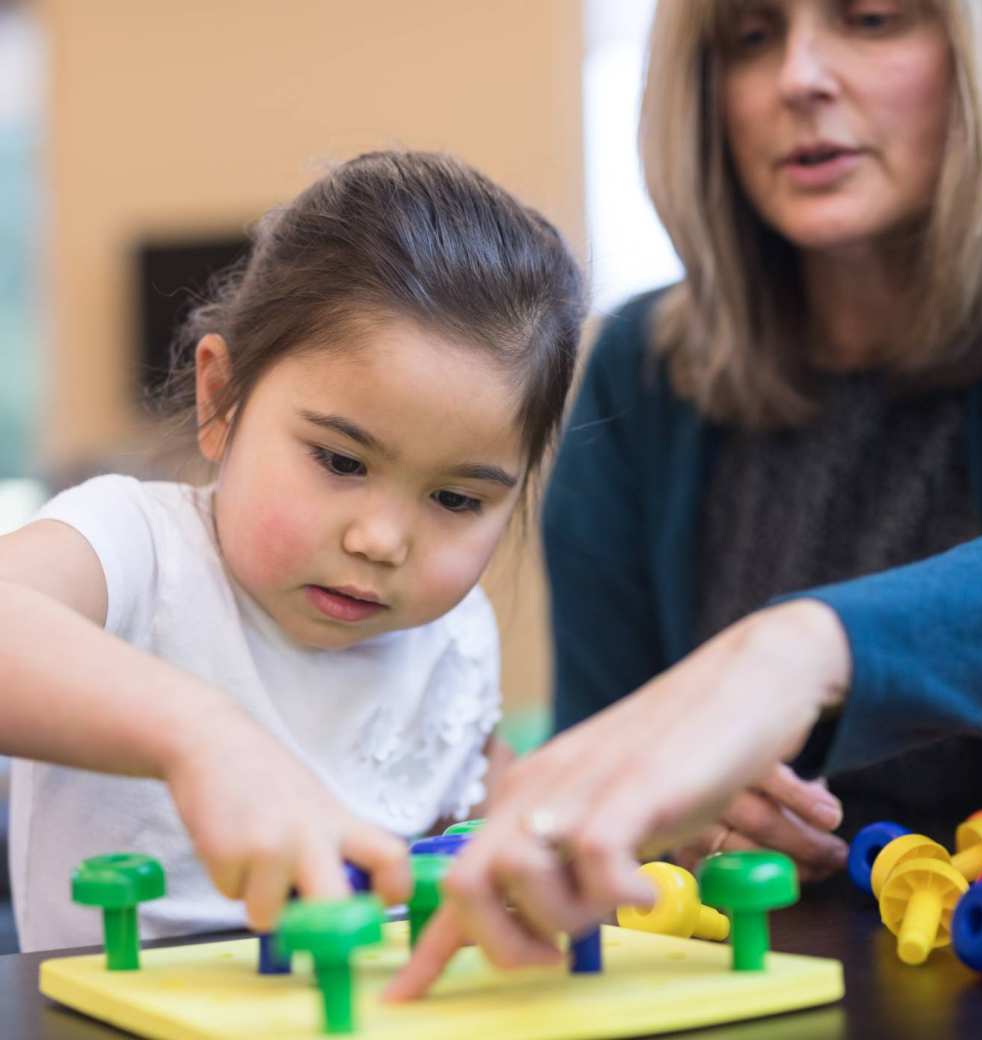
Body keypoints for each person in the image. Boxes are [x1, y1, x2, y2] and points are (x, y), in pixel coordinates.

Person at [385, 0, 982, 996]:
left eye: (868, 20)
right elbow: (609, 754)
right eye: (748, 38)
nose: (798, 77)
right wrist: (678, 826)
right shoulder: (638, 375)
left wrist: (793, 652)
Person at [0, 150, 586, 952]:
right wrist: (201, 735)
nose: (380, 540)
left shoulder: (454, 637)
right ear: (221, 402)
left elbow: (476, 833)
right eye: (341, 462)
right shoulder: (136, 547)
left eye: (456, 499)